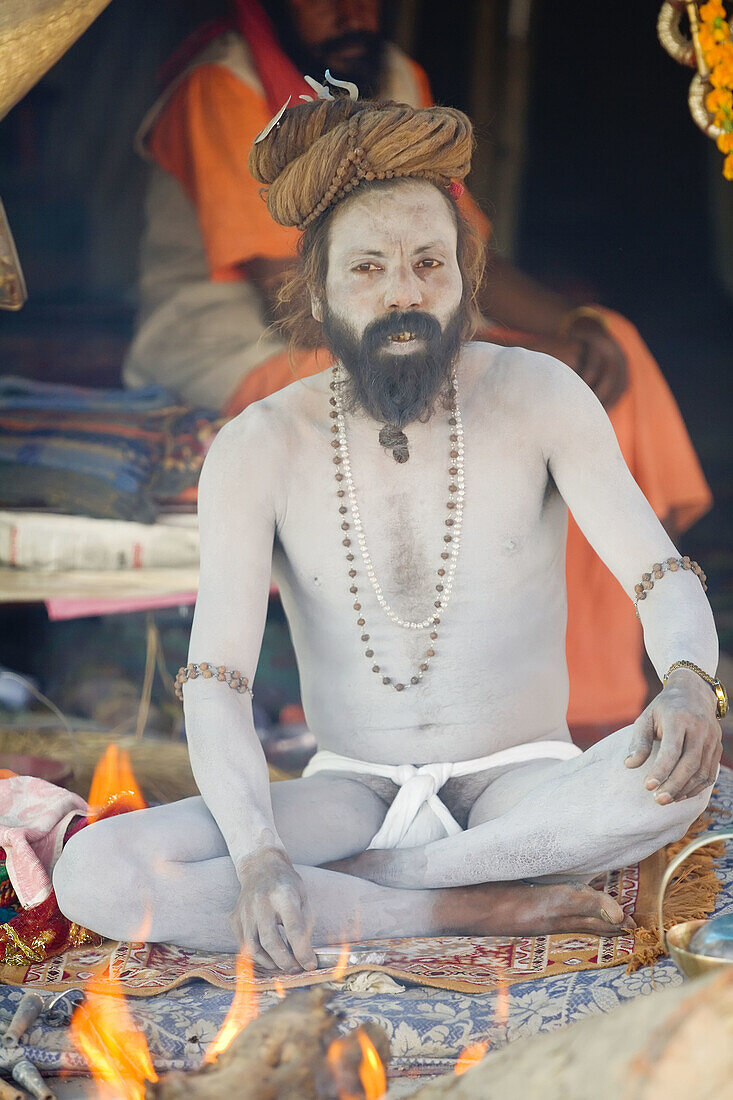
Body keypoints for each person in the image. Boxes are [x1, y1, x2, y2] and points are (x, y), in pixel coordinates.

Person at [54, 94, 725, 972]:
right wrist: (258, 856)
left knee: (673, 785)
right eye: (367, 268)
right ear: (316, 292)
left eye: (427, 265)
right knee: (93, 874)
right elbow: (216, 682)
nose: (402, 293)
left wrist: (682, 681)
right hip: (348, 790)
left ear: (465, 279)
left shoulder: (542, 395)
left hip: (522, 783)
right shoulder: (257, 446)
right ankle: (449, 904)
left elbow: (657, 577)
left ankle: (378, 889)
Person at [122, 0, 712, 734]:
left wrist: (566, 325)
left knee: (604, 344)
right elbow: (301, 288)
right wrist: (504, 349)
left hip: (405, 311)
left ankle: (597, 684)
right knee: (472, 386)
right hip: (252, 336)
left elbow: (460, 255)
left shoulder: (396, 75)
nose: (349, 11)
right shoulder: (219, 84)